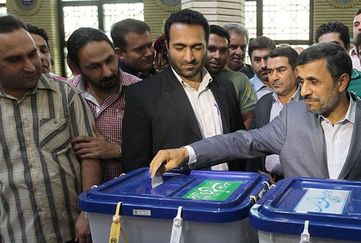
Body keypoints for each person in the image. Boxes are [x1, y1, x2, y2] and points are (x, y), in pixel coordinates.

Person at [149, 42, 361, 185]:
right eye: (301, 81)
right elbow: (242, 141)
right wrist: (186, 153)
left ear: (342, 82)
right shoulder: (292, 117)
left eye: (314, 81)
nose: (305, 91)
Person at [0, 15, 101, 242]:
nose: (30, 65)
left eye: (33, 54)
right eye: (15, 59)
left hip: (71, 231)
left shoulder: (66, 96)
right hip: (15, 232)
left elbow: (90, 158)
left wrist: (87, 212)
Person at [122, 9, 245, 172]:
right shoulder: (142, 95)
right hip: (176, 195)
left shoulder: (226, 89)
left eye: (197, 47)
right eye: (180, 47)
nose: (189, 57)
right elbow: (136, 168)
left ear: (206, 45)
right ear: (167, 46)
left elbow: (240, 144)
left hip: (231, 192)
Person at [66, 27, 141, 182]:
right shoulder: (66, 95)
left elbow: (161, 148)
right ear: (75, 67)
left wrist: (116, 151)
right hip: (81, 199)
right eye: (94, 66)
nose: (107, 72)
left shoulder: (141, 90)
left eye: (109, 60)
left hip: (130, 194)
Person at [252, 47, 300, 180]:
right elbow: (255, 144)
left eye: (281, 70)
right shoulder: (263, 103)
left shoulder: (309, 102)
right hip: (268, 180)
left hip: (301, 181)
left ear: (296, 71)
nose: (274, 77)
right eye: (270, 71)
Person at [316, 21, 361, 106]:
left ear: (347, 48)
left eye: (334, 46)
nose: (328, 52)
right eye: (323, 47)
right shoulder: (311, 84)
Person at [205, 24, 257, 129]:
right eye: (233, 47)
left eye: (243, 47)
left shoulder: (242, 79)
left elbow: (248, 119)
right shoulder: (193, 76)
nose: (239, 52)